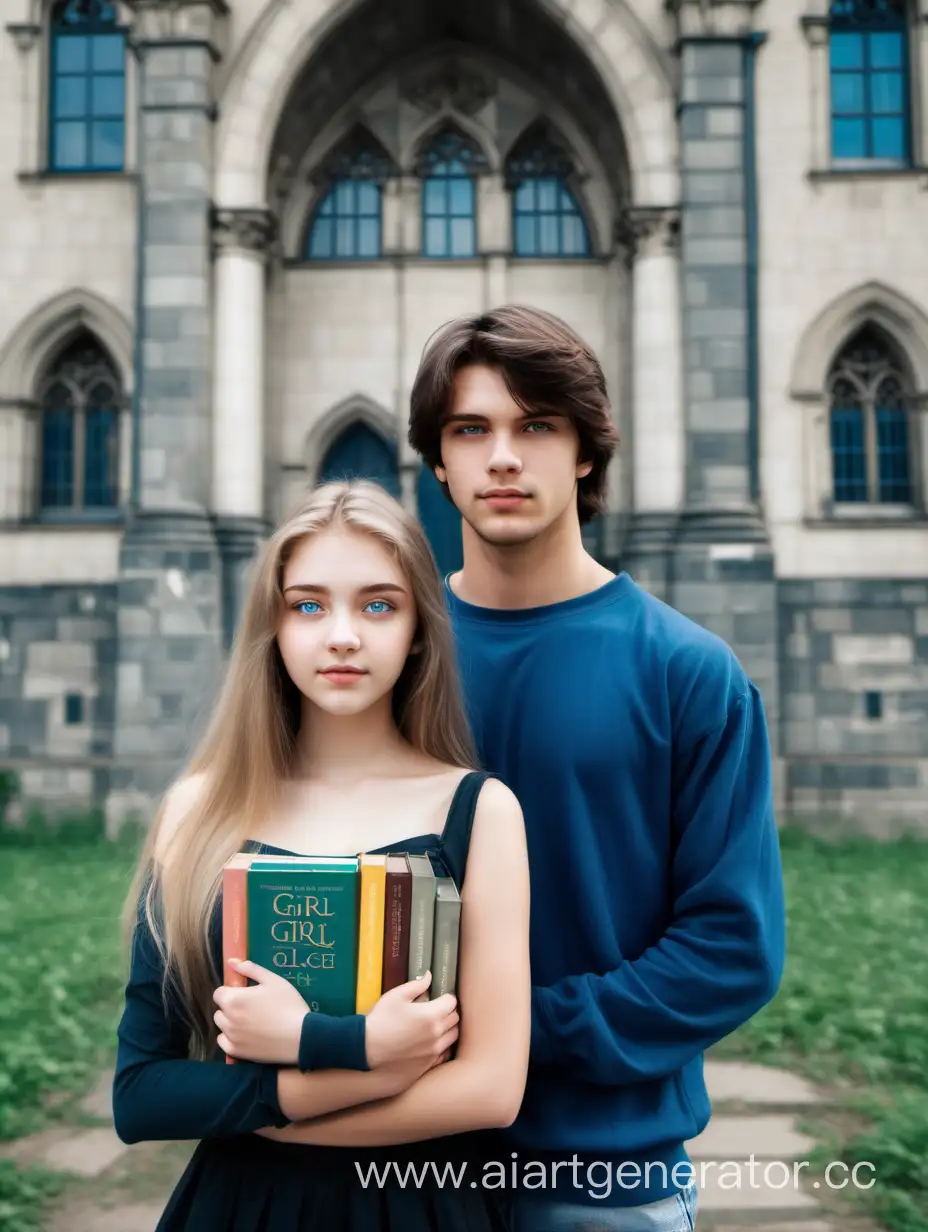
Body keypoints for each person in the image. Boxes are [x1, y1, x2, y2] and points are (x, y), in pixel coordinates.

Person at [403, 304, 787, 1230]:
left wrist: (516, 1031)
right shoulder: (390, 659)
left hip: (602, 1177)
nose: (503, 456)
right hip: (396, 1167)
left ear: (585, 451)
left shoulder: (685, 670)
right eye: (472, 429)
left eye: (537, 425)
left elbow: (732, 948)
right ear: (439, 460)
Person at [113, 480, 531, 1232]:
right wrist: (352, 1050)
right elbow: (140, 1094)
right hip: (244, 1207)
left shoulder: (480, 811)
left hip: (425, 1207)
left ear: (418, 632)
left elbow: (493, 1091)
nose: (342, 635)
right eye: (308, 605)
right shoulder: (196, 810)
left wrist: (265, 1108)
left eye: (378, 605)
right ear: (271, 627)